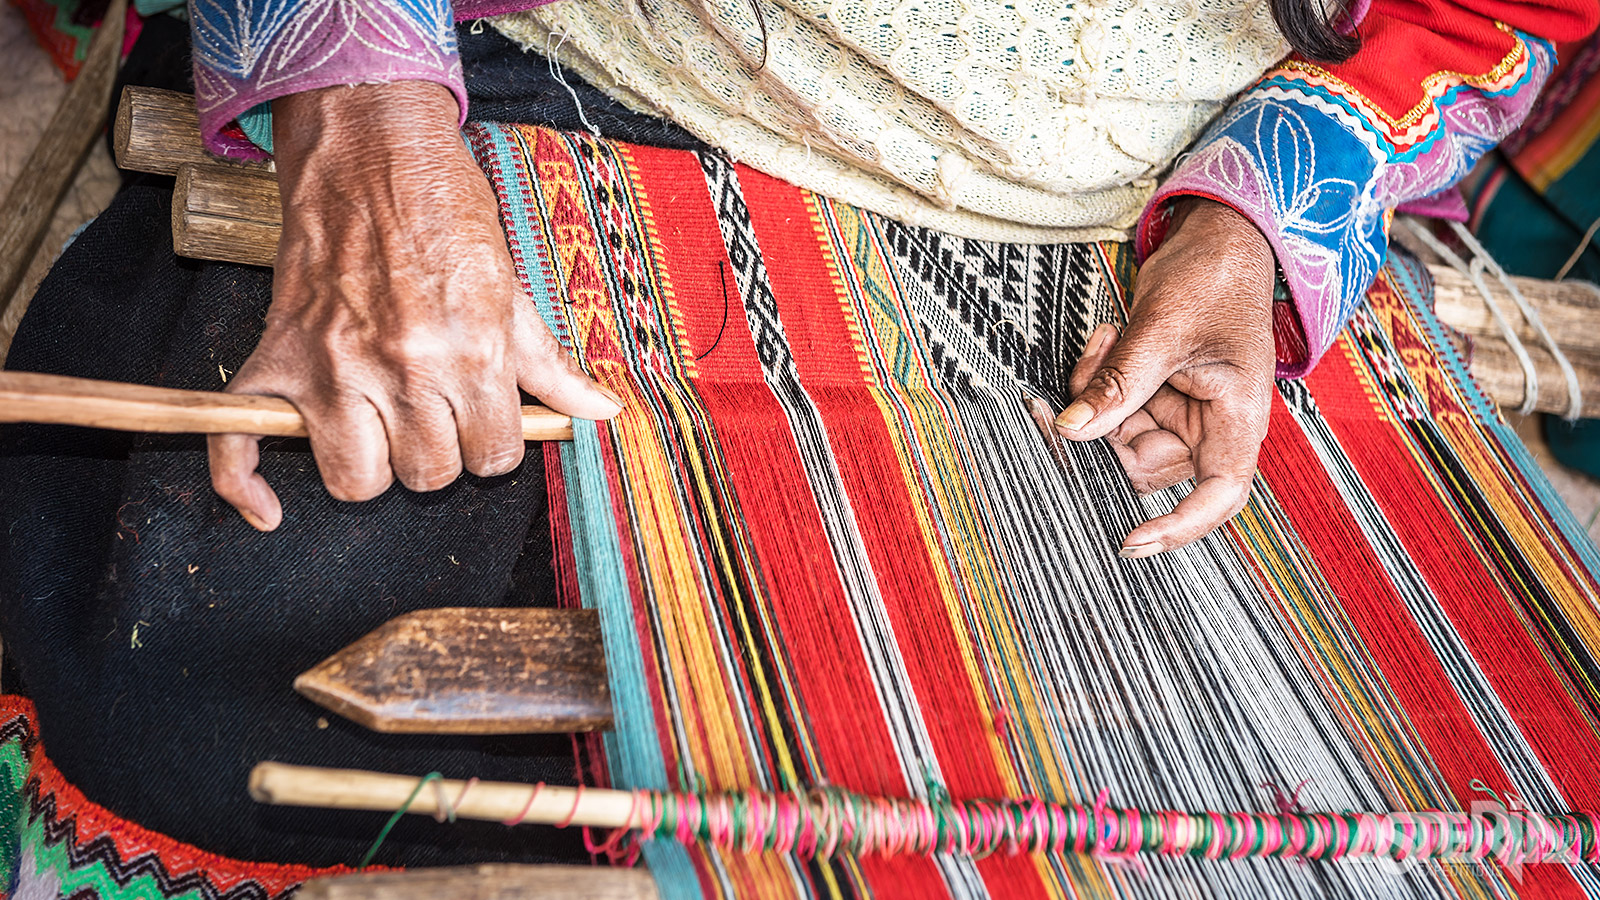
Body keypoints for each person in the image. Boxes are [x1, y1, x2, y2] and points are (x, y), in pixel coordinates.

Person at [0, 0, 1593, 892]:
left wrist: (1264, 226)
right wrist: (363, 113)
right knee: (206, 698)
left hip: (1144, 227)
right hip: (575, 77)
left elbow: (1496, 16)